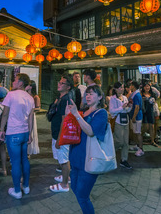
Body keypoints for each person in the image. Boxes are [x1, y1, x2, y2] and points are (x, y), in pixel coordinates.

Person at [67, 85, 108, 214]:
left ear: (100, 97)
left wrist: (75, 115)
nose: (88, 96)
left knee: (82, 196)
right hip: (75, 158)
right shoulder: (83, 111)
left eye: (92, 94)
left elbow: (90, 131)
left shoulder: (101, 113)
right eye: (87, 94)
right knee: (74, 188)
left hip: (90, 159)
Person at [0, 73, 35, 199]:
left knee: (15, 162)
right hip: (25, 132)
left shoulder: (11, 94)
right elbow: (31, 118)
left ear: (20, 83)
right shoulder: (30, 98)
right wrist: (30, 133)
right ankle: (26, 186)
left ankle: (16, 191)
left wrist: (1, 129)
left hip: (13, 132)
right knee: (25, 160)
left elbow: (5, 114)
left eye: (15, 80)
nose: (13, 82)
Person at [49, 74, 73, 193]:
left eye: (62, 83)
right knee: (61, 158)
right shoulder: (61, 98)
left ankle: (64, 185)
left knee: (64, 160)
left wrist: (60, 139)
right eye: (59, 82)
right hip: (57, 132)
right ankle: (66, 177)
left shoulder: (65, 99)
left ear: (68, 87)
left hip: (61, 135)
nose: (59, 84)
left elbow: (65, 120)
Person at [109, 82, 132, 169]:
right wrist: (121, 107)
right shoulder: (113, 99)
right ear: (115, 89)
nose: (121, 89)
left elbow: (127, 110)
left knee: (126, 142)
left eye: (122, 87)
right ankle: (111, 153)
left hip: (125, 120)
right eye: (119, 88)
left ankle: (124, 160)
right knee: (119, 141)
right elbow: (112, 111)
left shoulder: (125, 98)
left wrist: (129, 107)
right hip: (118, 121)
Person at [130, 81, 144, 156]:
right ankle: (137, 146)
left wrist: (134, 117)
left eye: (131, 85)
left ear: (133, 86)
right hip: (135, 116)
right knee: (135, 132)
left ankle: (141, 149)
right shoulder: (135, 94)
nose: (130, 87)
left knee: (138, 133)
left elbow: (137, 107)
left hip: (137, 117)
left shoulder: (136, 95)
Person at [25, 80, 40, 156]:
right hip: (25, 115)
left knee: (31, 132)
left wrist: (31, 108)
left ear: (31, 86)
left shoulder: (35, 97)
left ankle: (29, 152)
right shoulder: (26, 94)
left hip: (31, 115)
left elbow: (38, 108)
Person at [142, 82, 158, 147]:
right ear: (143, 87)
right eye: (145, 86)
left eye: (148, 86)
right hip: (144, 111)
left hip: (151, 111)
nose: (147, 87)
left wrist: (154, 101)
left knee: (152, 126)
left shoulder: (152, 94)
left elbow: (156, 99)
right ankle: (139, 138)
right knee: (145, 126)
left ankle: (152, 140)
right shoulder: (141, 94)